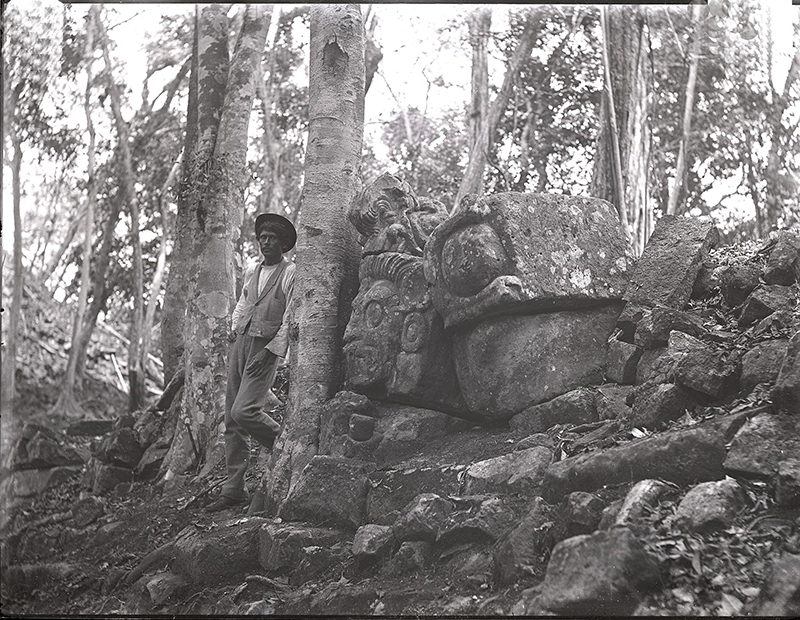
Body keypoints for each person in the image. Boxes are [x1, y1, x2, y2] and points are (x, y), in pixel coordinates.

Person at [206, 213, 297, 512]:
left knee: (244, 411)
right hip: (242, 342)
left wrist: (273, 351)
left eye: (272, 239)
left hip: (265, 348)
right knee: (231, 419)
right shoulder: (251, 272)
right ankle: (234, 488)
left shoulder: (290, 273)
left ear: (283, 244)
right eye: (262, 238)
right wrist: (234, 329)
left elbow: (289, 317)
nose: (266, 243)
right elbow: (245, 302)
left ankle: (285, 448)